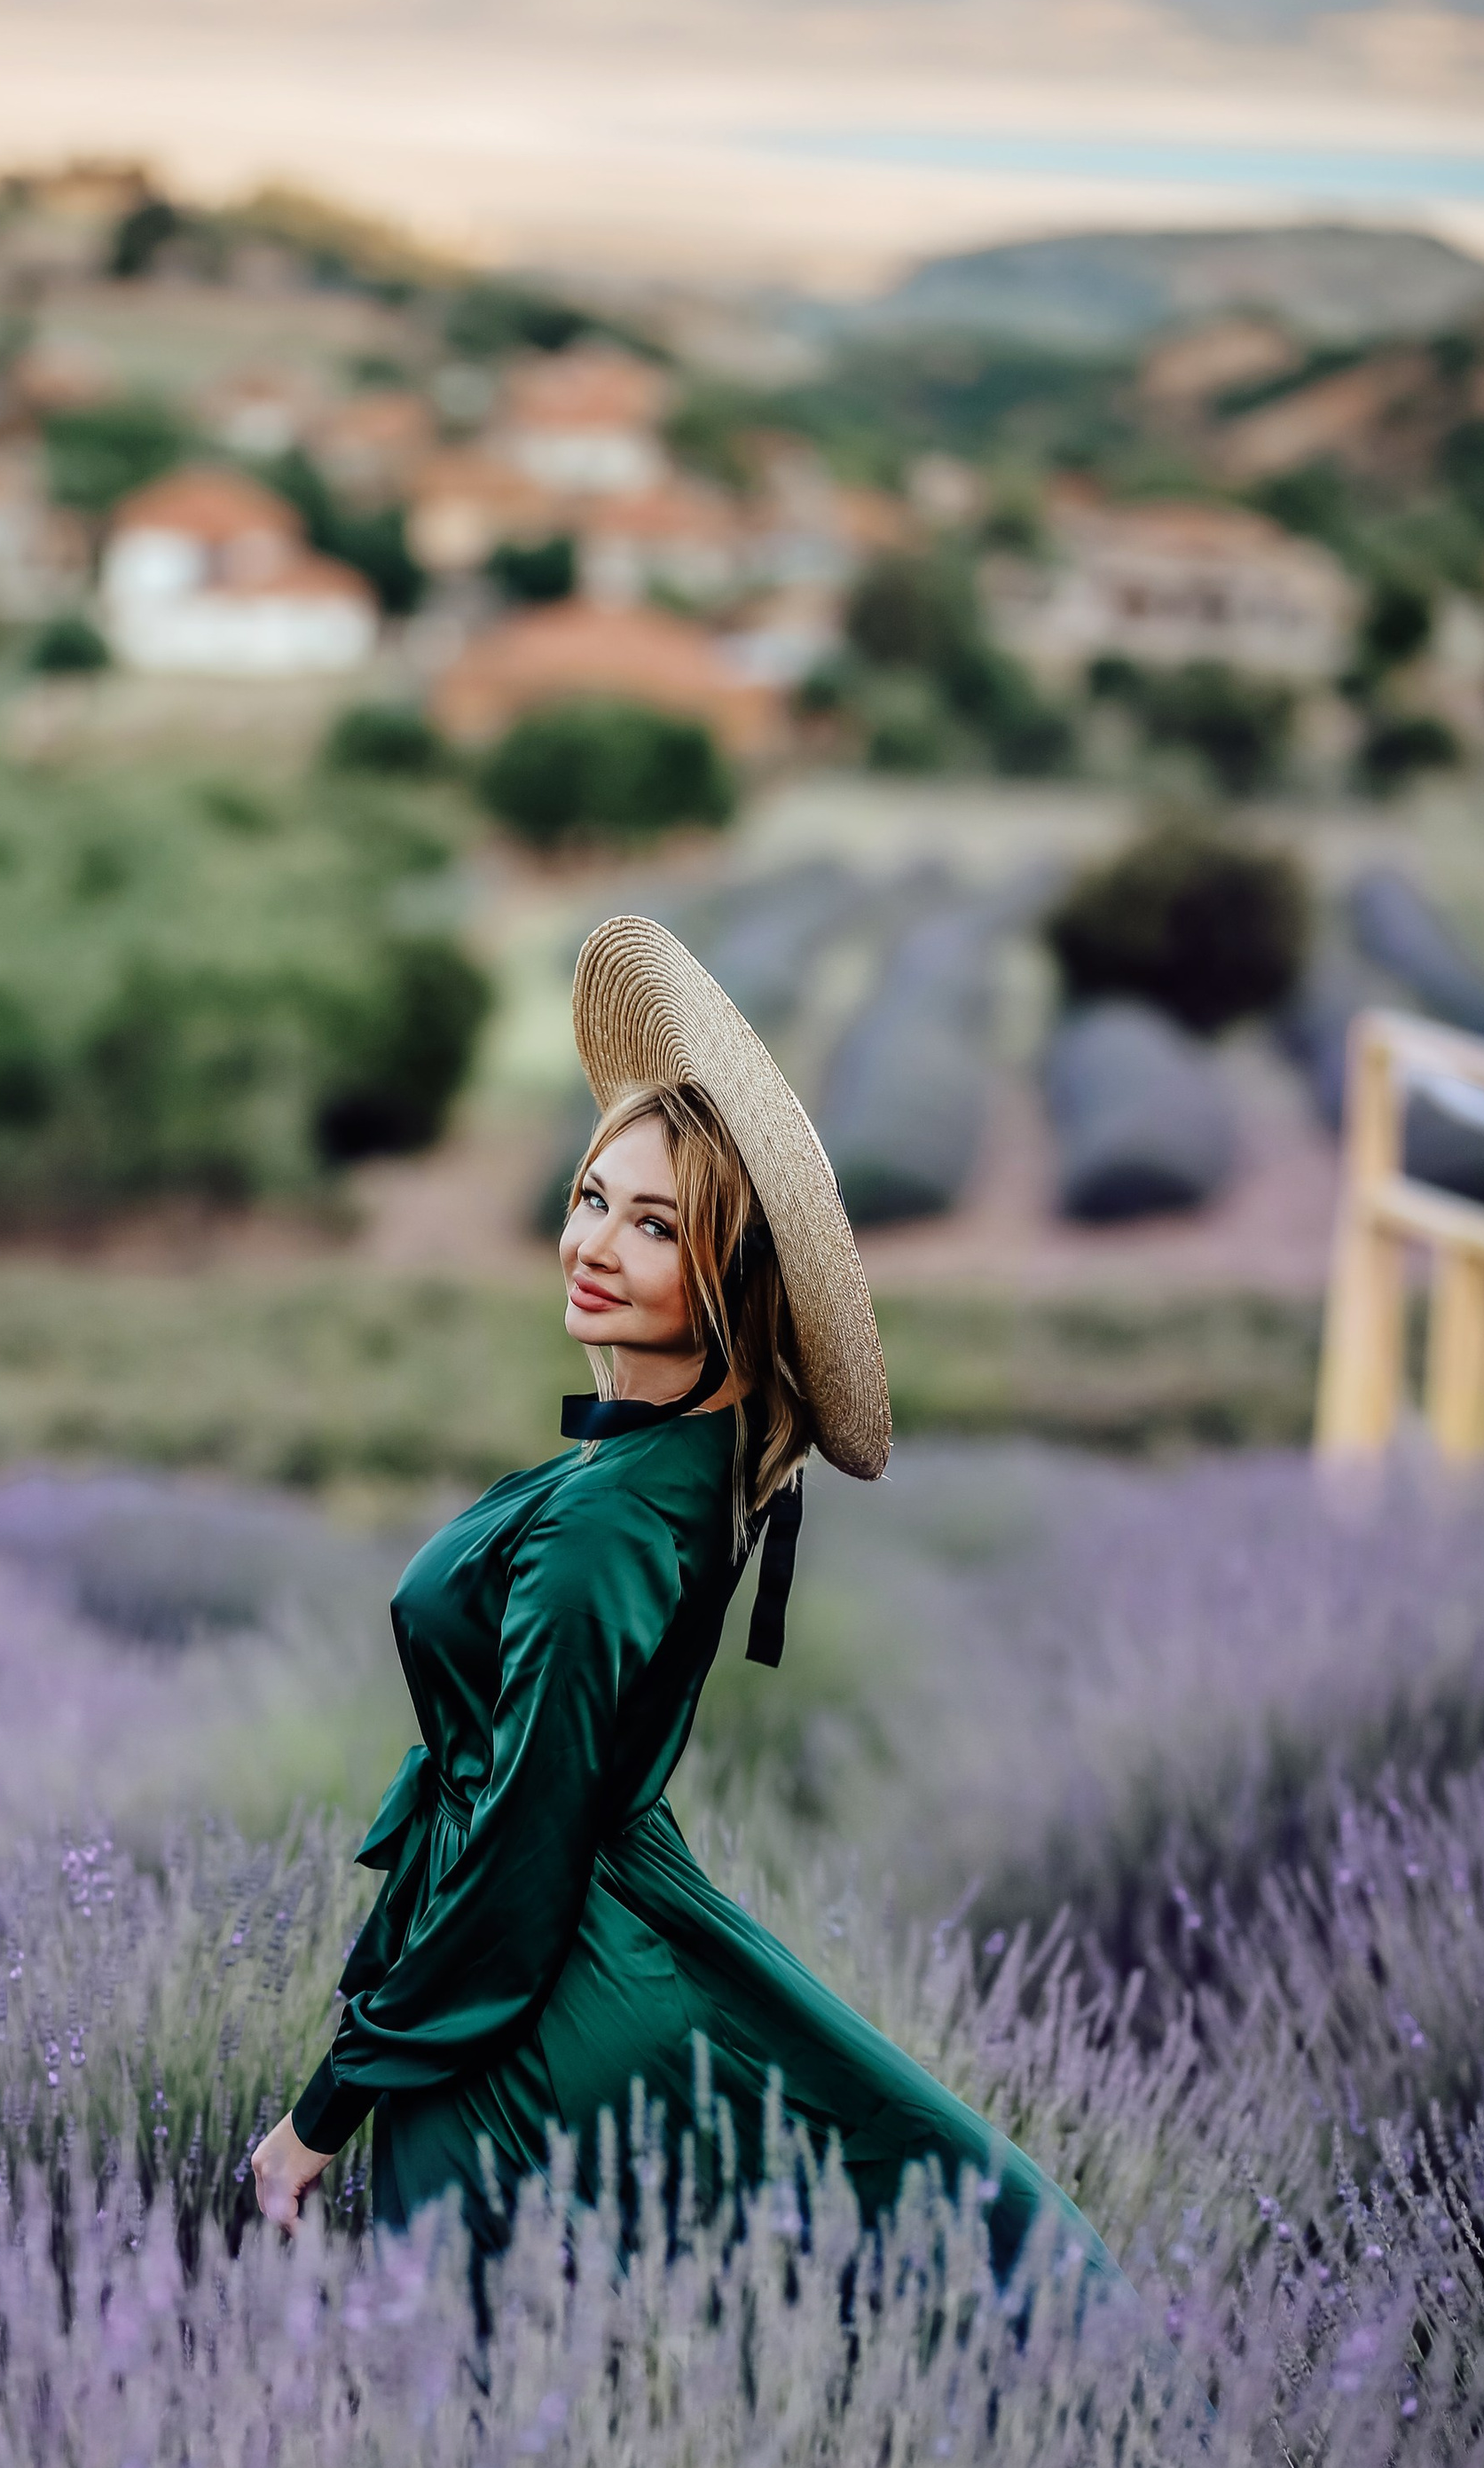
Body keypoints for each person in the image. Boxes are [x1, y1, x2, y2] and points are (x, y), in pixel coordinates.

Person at [250, 914, 1116, 2291]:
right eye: (595, 1197)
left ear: (729, 1279)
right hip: (593, 1958)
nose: (594, 1243)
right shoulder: (673, 1463)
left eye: (657, 1227)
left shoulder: (611, 1517)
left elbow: (518, 1854)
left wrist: (324, 2114)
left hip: (536, 2032)